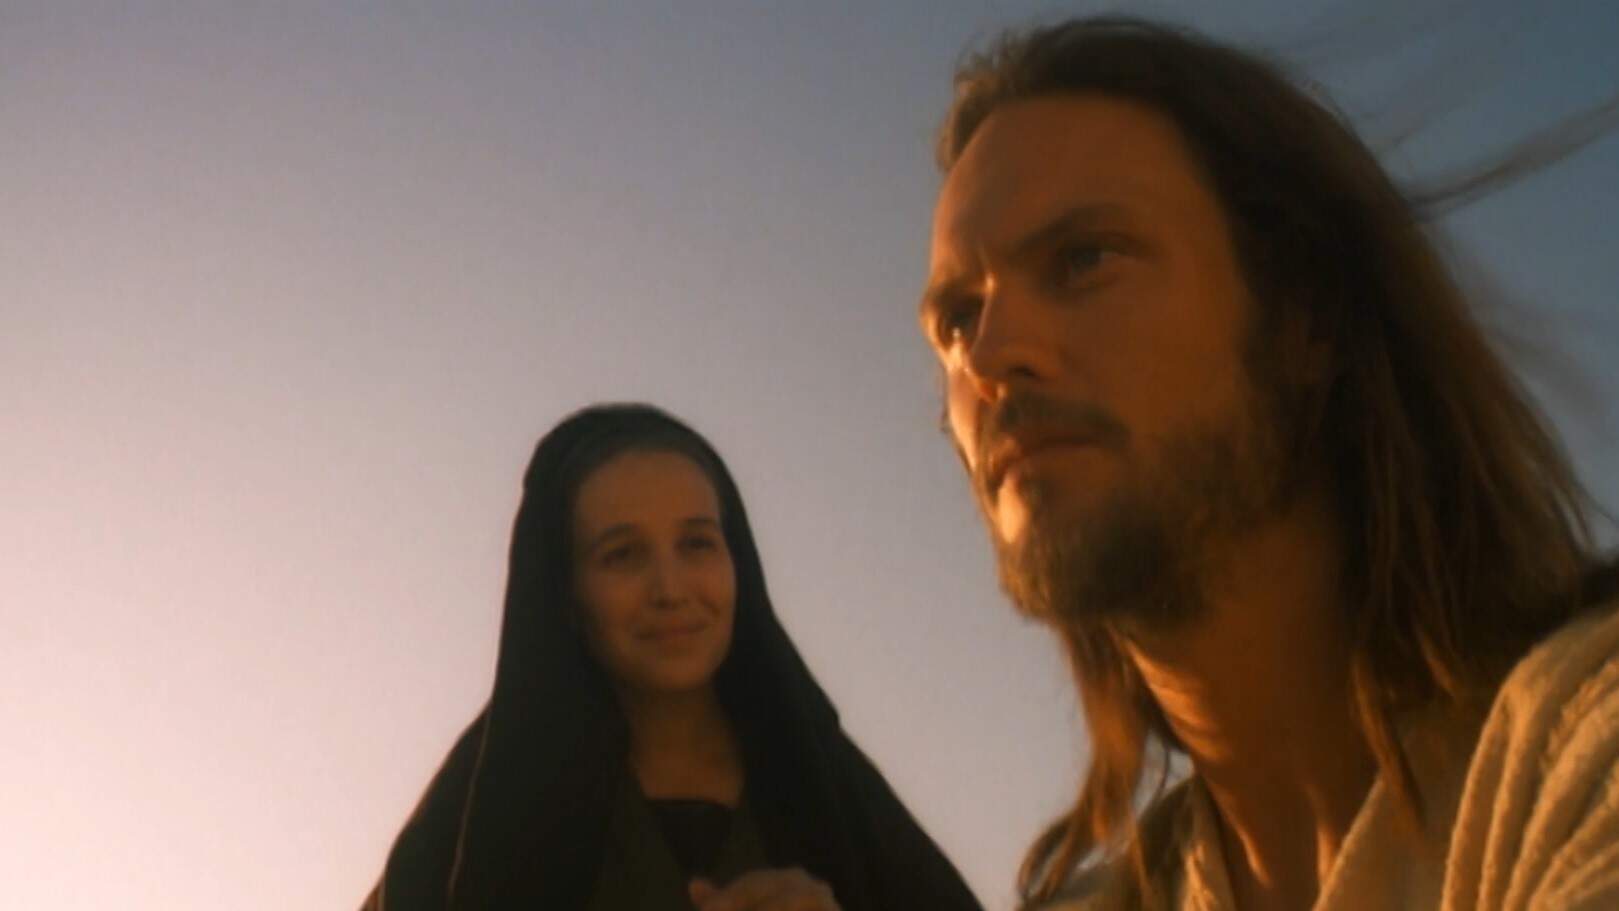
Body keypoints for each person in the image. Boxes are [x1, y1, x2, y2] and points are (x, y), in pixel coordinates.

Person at [919, 16, 1619, 911]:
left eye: (1083, 259)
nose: (989, 355)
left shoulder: (1577, 753)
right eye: (956, 319)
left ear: (1301, 317)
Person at [362, 404, 982, 911]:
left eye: (697, 544)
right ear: (566, 595)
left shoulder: (826, 786)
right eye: (622, 555)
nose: (670, 589)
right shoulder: (478, 819)